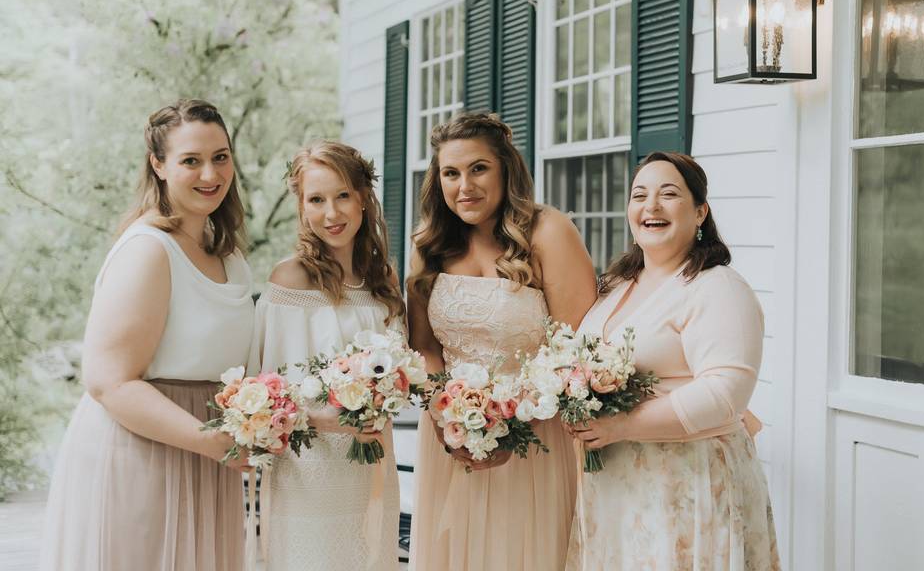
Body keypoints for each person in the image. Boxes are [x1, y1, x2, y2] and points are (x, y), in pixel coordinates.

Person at [40, 99, 255, 571]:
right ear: (158, 165)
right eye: (190, 161)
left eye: (220, 157)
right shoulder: (148, 250)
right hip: (143, 454)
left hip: (207, 460)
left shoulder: (230, 255)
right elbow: (107, 381)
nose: (210, 174)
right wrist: (210, 439)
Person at [566, 151, 781, 570]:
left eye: (669, 194)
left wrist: (622, 424)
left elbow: (726, 393)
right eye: (639, 195)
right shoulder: (615, 285)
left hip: (687, 482)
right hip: (616, 484)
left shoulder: (717, 288)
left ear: (700, 211)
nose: (651, 207)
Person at [408, 112, 597, 571]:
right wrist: (445, 419)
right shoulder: (428, 244)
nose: (464, 186)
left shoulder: (547, 231)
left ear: (505, 169)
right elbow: (424, 347)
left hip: (535, 438)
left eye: (478, 168)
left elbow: (573, 346)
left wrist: (511, 429)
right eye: (450, 173)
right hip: (451, 437)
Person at [248, 140, 404, 571]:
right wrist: (326, 420)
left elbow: (401, 366)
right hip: (308, 470)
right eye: (316, 200)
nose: (331, 214)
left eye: (342, 196)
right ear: (301, 206)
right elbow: (265, 394)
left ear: (363, 199)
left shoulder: (382, 278)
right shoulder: (290, 278)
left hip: (371, 463)